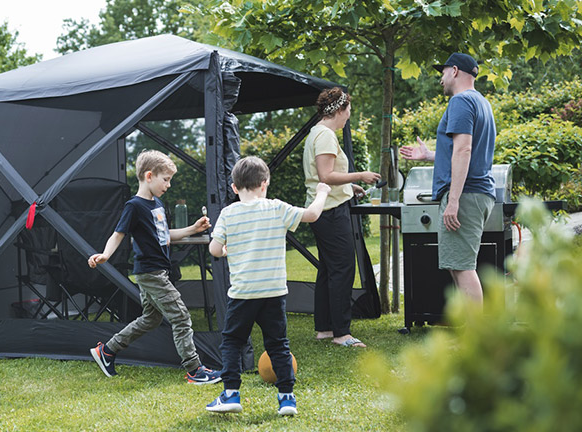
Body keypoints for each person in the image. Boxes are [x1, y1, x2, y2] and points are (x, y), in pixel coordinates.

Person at [205, 156, 331, 416]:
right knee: (278, 344)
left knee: (232, 341)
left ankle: (230, 394)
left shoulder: (228, 213)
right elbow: (312, 214)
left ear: (234, 187)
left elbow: (215, 249)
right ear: (264, 184)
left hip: (243, 293)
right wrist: (322, 192)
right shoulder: (277, 208)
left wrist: (227, 249)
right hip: (273, 292)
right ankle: (287, 399)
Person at [87, 149, 221, 385]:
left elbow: (165, 235)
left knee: (151, 318)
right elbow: (118, 234)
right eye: (165, 179)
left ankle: (107, 351)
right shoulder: (134, 206)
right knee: (181, 316)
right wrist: (106, 255)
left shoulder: (156, 204)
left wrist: (193, 229)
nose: (168, 185)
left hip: (158, 270)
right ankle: (194, 370)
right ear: (149, 176)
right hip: (150, 272)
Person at [400, 52, 496, 304]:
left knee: (463, 268)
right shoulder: (481, 103)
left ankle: (476, 339)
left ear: (454, 71)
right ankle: (469, 333)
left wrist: (453, 201)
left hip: (465, 195)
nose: (440, 78)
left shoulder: (460, 102)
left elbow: (464, 150)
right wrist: (431, 155)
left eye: (442, 72)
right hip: (475, 193)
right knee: (457, 265)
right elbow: (463, 151)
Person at [303, 87, 381, 347]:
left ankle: (325, 329)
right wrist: (360, 176)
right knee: (343, 269)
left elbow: (325, 176)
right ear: (339, 109)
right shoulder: (325, 135)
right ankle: (342, 334)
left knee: (328, 269)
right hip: (331, 212)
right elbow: (326, 175)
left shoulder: (317, 132)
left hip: (324, 208)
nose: (349, 116)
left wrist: (350, 187)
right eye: (348, 111)